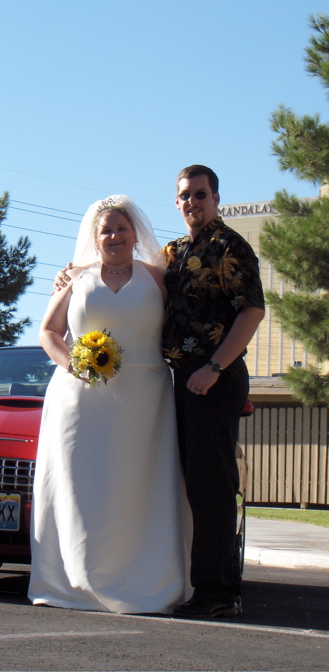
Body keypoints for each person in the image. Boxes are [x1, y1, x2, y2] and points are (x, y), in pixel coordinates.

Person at [28, 196, 192, 614]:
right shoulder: (75, 278)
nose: (114, 236)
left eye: (122, 229)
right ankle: (73, 581)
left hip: (145, 399)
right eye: (106, 230)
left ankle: (145, 582)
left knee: (139, 486)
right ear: (95, 237)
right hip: (81, 399)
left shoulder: (158, 278)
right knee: (83, 487)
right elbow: (48, 332)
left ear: (135, 235)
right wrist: (72, 365)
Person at [164, 165, 265, 619]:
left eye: (200, 194)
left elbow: (252, 311)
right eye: (185, 195)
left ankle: (218, 592)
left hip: (214, 378)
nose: (193, 202)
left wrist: (214, 367)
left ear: (216, 198)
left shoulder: (230, 246)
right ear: (177, 201)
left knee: (212, 487)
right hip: (180, 379)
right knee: (191, 485)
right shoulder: (174, 252)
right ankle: (204, 583)